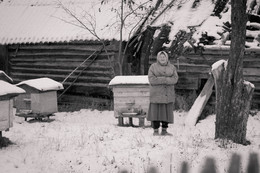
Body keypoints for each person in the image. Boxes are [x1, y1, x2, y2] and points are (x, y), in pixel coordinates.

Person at [147, 51, 178, 136]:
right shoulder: (153, 67)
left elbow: (175, 79)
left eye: (164, 57)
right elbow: (152, 79)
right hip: (156, 94)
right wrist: (165, 79)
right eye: (160, 57)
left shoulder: (172, 67)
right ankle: (155, 131)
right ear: (158, 58)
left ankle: (164, 130)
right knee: (155, 113)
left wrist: (162, 79)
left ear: (167, 58)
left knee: (166, 112)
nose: (162, 58)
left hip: (168, 94)